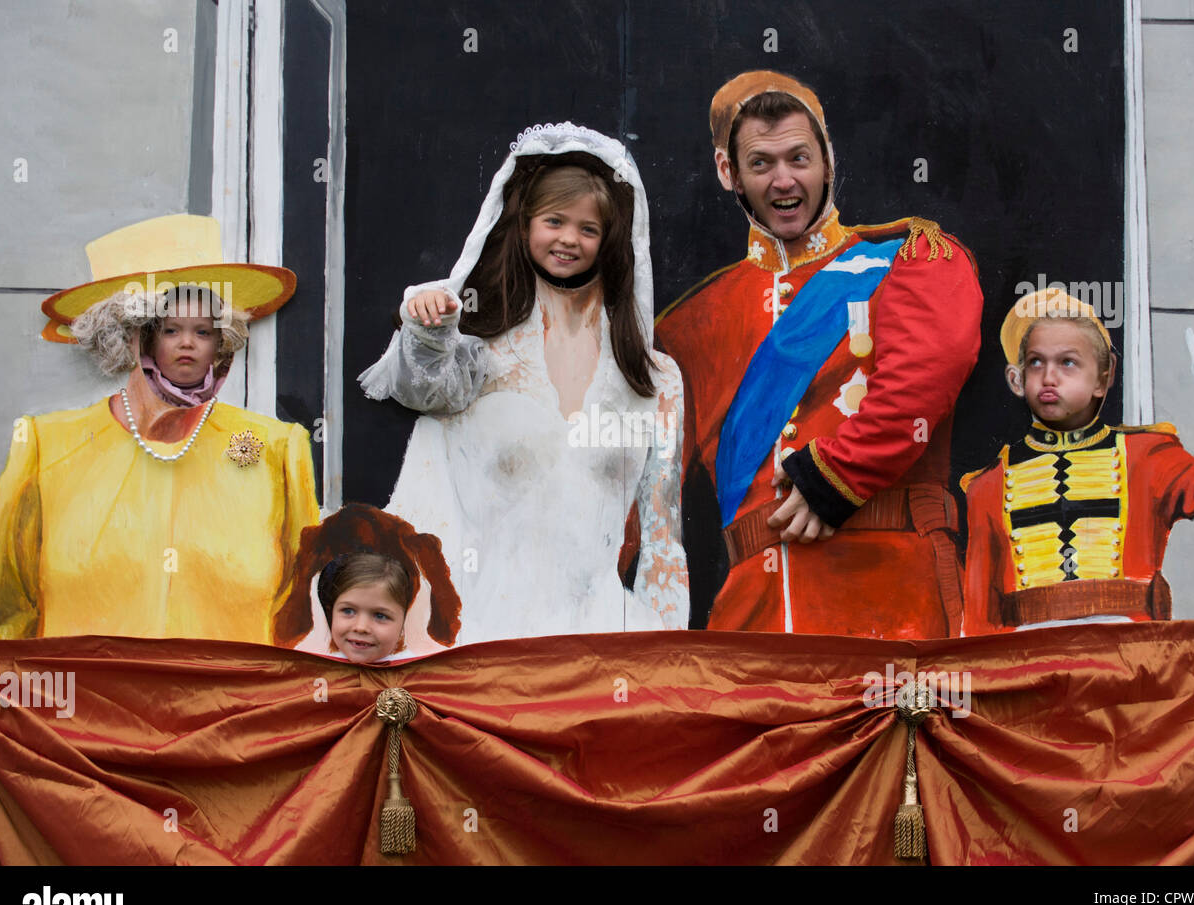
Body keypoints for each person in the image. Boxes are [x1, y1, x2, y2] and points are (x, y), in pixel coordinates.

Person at [655, 70, 983, 638]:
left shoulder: (917, 257)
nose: (784, 180)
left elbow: (920, 384)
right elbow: (638, 489)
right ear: (727, 171)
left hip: (893, 607)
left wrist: (838, 473)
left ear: (828, 161)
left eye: (799, 158)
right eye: (761, 164)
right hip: (753, 621)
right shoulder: (688, 327)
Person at [359, 122, 688, 642]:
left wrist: (666, 655)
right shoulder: (476, 347)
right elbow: (419, 389)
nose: (569, 239)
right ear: (525, 222)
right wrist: (426, 327)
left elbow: (663, 533)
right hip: (475, 636)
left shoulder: (654, 378)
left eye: (588, 228)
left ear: (608, 241)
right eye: (554, 220)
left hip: (598, 639)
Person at [0, 214, 319, 643]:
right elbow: (12, 602)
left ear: (221, 342)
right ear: (131, 335)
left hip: (231, 704)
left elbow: (302, 600)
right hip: (89, 705)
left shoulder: (274, 447)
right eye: (168, 329)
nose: (186, 343)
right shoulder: (46, 444)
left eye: (203, 330)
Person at [961, 288, 1194, 633]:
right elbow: (982, 618)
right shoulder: (988, 486)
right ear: (1016, 380)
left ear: (1105, 376)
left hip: (1130, 660)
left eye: (1067, 362)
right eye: (1035, 362)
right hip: (1031, 664)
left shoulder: (1146, 456)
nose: (1048, 377)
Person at [275, 501, 461, 659]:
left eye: (380, 615)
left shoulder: (427, 666)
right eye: (348, 611)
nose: (361, 627)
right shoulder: (303, 666)